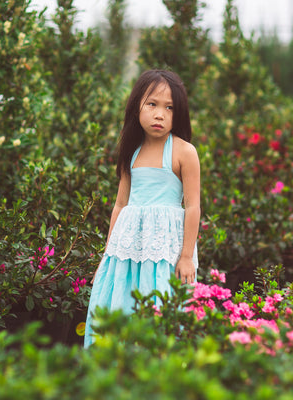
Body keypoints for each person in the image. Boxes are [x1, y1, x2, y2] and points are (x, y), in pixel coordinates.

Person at [84, 69, 201, 348]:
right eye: (152, 104)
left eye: (169, 107)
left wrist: (186, 257)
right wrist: (107, 254)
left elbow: (193, 206)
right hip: (126, 250)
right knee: (118, 304)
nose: (160, 114)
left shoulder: (184, 152)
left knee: (159, 306)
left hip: (163, 252)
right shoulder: (131, 150)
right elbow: (121, 204)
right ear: (137, 105)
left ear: (179, 114)